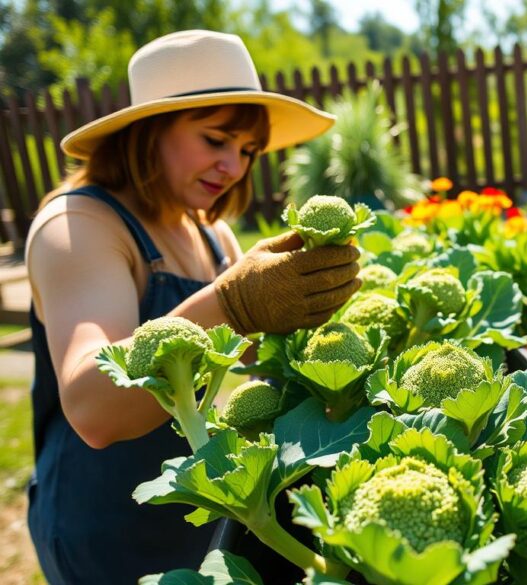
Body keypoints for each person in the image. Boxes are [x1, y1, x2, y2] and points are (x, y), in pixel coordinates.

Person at [25, 30, 361, 584]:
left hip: (198, 513)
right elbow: (92, 406)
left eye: (247, 151)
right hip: (103, 529)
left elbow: (254, 365)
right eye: (214, 140)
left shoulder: (212, 234)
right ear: (147, 131)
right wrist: (235, 302)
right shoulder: (78, 226)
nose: (233, 165)